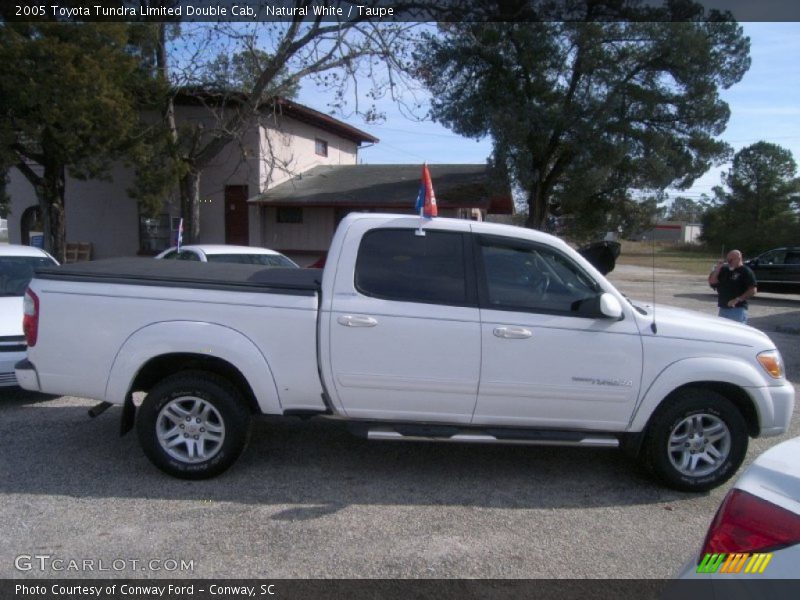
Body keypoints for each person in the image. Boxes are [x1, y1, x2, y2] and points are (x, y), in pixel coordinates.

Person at [708, 250, 757, 323]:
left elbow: (753, 290)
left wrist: (737, 299)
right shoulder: (724, 270)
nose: (729, 262)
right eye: (727, 260)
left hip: (737, 309)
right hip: (723, 308)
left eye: (731, 260)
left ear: (739, 258)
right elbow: (712, 281)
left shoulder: (745, 271)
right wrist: (717, 269)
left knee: (736, 332)